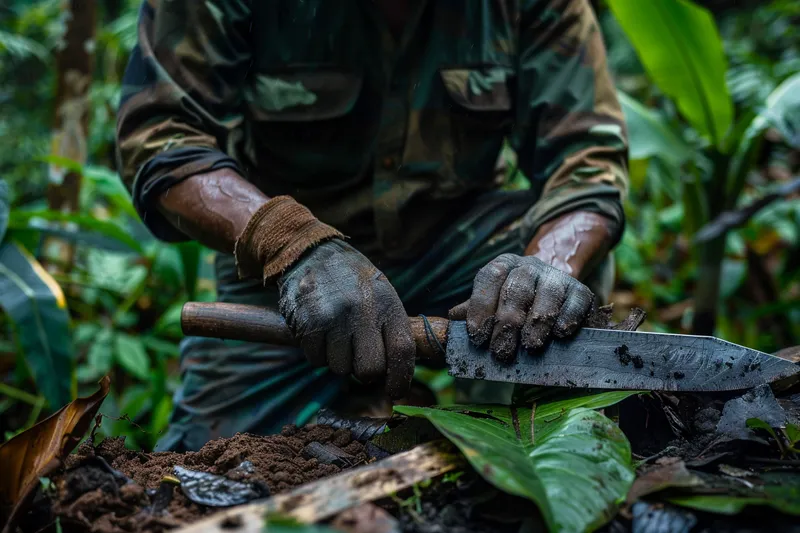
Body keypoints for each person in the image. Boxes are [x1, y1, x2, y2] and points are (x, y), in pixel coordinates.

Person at [116, 0, 629, 452]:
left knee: (559, 295)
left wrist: (544, 267)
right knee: (212, 465)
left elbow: (586, 155)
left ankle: (540, 432)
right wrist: (291, 242)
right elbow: (161, 135)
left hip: (462, 247)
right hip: (287, 263)